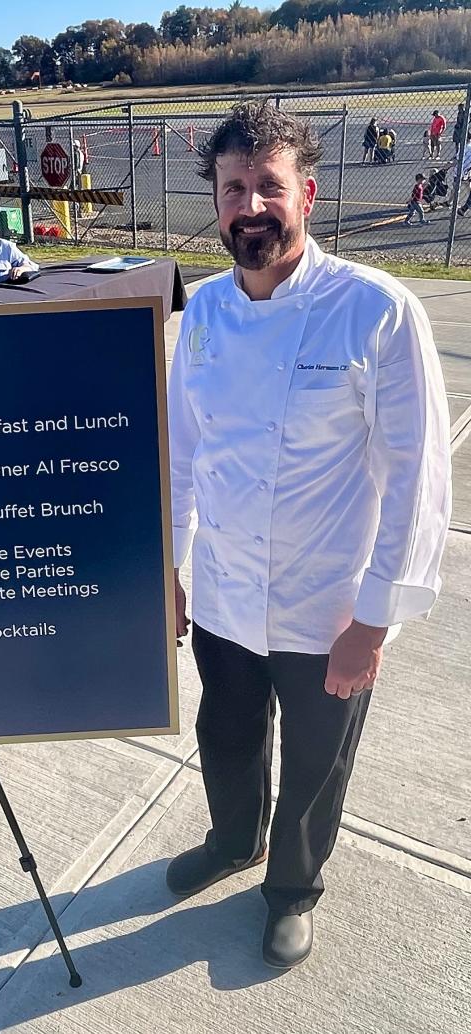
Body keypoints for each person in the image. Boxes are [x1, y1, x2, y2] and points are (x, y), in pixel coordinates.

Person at [167, 101, 451, 971]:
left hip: (327, 606)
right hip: (220, 593)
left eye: (268, 187)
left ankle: (292, 887)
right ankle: (231, 840)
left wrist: (375, 619)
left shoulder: (374, 310)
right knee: (227, 735)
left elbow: (416, 476)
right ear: (215, 201)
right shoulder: (206, 312)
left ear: (308, 195)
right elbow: (182, 452)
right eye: (233, 188)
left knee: (317, 762)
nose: (251, 206)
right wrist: (169, 569)